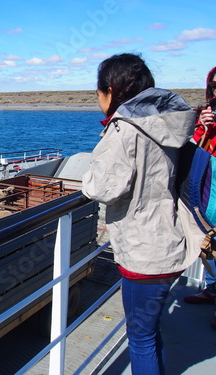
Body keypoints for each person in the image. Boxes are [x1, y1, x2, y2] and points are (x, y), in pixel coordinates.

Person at [81, 53, 199, 375]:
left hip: (143, 252)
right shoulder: (167, 123)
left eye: (98, 93)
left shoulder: (126, 129)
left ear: (110, 90)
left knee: (140, 337)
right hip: (169, 239)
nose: (98, 100)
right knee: (150, 330)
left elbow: (100, 188)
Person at [183, 67, 216, 328]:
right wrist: (202, 127)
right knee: (207, 245)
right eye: (214, 87)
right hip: (206, 192)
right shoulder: (204, 117)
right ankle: (213, 289)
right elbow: (193, 149)